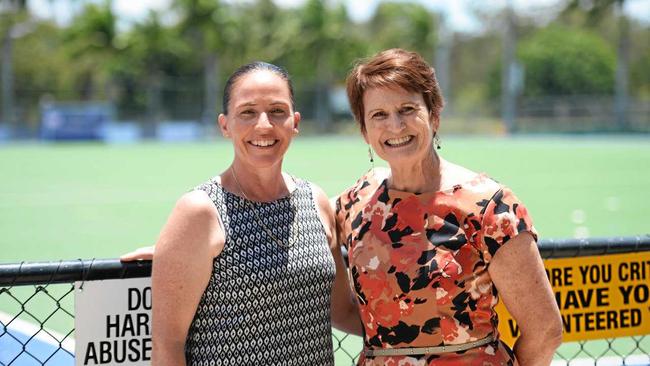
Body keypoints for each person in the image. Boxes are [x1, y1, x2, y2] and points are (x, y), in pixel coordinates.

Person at [335, 48, 562, 365]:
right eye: (379, 115)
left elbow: (545, 329)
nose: (395, 126)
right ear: (364, 131)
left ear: (434, 114)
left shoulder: (490, 207)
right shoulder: (354, 203)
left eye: (407, 109)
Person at [123, 61, 360, 366]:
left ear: (295, 121)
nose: (263, 125)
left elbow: (341, 311)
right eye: (247, 112)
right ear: (225, 125)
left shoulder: (316, 201)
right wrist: (176, 253)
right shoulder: (201, 211)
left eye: (277, 111)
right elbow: (167, 347)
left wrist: (427, 335)